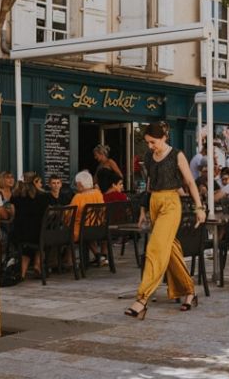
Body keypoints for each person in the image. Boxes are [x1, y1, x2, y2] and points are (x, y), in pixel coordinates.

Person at [125, 121, 205, 319]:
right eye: (148, 143)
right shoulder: (148, 157)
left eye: (153, 142)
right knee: (169, 250)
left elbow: (189, 183)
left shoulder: (177, 155)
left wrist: (199, 207)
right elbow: (150, 186)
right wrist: (143, 210)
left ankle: (141, 300)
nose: (150, 146)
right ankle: (190, 291)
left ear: (163, 137)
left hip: (171, 203)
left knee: (155, 249)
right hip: (154, 203)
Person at [10, 171, 52, 280]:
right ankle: (37, 265)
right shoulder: (44, 196)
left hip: (19, 233)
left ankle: (23, 273)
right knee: (38, 237)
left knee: (27, 242)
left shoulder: (16, 196)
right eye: (40, 182)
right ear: (35, 182)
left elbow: (13, 214)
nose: (41, 184)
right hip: (40, 235)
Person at [69, 170, 106, 267]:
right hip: (98, 229)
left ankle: (66, 261)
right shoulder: (98, 194)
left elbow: (69, 215)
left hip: (81, 232)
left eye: (77, 184)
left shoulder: (78, 197)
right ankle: (98, 256)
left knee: (65, 230)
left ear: (80, 184)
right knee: (84, 229)